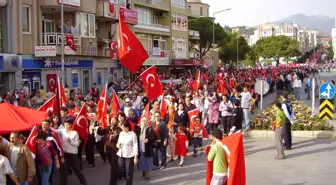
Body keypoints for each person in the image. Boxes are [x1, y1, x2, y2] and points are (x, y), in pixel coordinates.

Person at [52, 117, 88, 185]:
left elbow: (77, 144)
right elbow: (54, 130)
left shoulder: (74, 133)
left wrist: (70, 141)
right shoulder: (62, 131)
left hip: (73, 155)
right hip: (65, 154)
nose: (65, 126)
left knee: (77, 170)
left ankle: (84, 183)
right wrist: (46, 125)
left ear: (71, 125)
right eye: (65, 124)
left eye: (67, 124)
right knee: (63, 172)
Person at [105, 116, 122, 185]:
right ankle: (119, 175)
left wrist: (110, 135)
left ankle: (113, 181)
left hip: (115, 149)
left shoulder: (118, 129)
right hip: (108, 149)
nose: (113, 121)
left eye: (114, 120)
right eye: (111, 120)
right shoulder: (108, 128)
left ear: (116, 121)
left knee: (113, 165)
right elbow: (101, 133)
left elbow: (114, 137)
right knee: (112, 164)